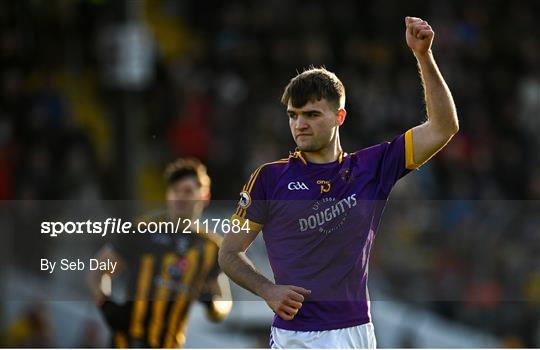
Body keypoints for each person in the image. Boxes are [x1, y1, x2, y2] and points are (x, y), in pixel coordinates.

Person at [219, 17, 458, 348]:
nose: (300, 124)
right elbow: (229, 253)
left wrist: (423, 56)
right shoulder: (269, 179)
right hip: (295, 336)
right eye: (293, 115)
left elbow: (443, 127)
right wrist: (267, 289)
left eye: (312, 115)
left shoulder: (373, 166)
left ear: (339, 117)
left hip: (355, 332)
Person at [89, 158, 232, 348]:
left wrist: (213, 306)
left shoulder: (211, 248)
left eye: (188, 191)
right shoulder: (142, 231)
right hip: (127, 342)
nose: (180, 197)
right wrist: (106, 305)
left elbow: (224, 302)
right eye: (175, 190)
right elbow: (97, 272)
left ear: (204, 196)